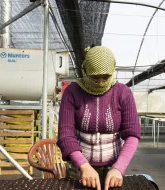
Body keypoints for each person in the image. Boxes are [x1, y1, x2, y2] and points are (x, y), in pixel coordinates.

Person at [57, 45, 141, 190]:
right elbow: (66, 134)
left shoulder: (123, 92)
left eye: (106, 77)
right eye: (95, 77)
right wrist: (84, 166)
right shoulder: (73, 91)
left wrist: (118, 168)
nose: (101, 82)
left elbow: (132, 134)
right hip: (79, 168)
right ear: (85, 71)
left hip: (112, 166)